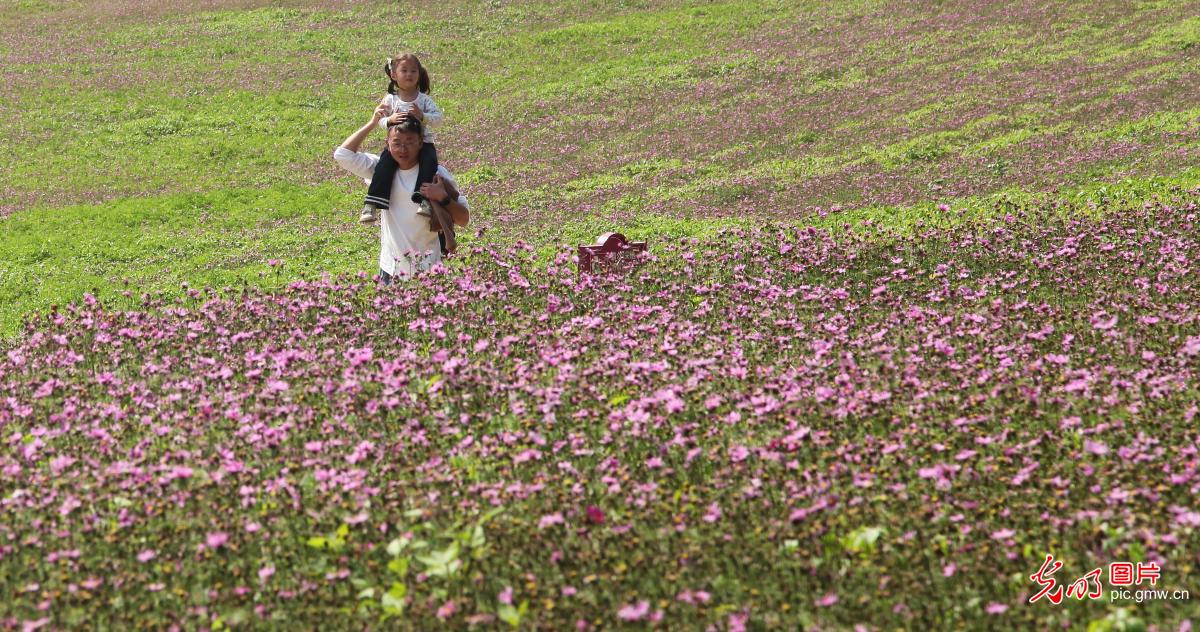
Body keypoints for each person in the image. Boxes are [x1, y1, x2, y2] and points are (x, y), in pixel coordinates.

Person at [334, 105, 469, 284]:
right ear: (387, 144)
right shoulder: (380, 172)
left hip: (430, 270)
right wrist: (374, 122)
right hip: (391, 270)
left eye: (410, 142)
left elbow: (463, 219)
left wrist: (442, 197)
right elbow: (342, 155)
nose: (403, 149)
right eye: (396, 143)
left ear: (421, 143)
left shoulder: (436, 174)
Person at [359, 53, 445, 224]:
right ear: (394, 75)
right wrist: (388, 121)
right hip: (396, 146)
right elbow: (380, 119)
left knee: (429, 164)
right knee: (383, 166)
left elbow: (438, 119)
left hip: (423, 143)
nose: (409, 75)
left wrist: (423, 116)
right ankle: (372, 203)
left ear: (419, 75)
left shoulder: (424, 100)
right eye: (404, 70)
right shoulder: (390, 99)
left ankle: (424, 201)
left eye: (413, 71)